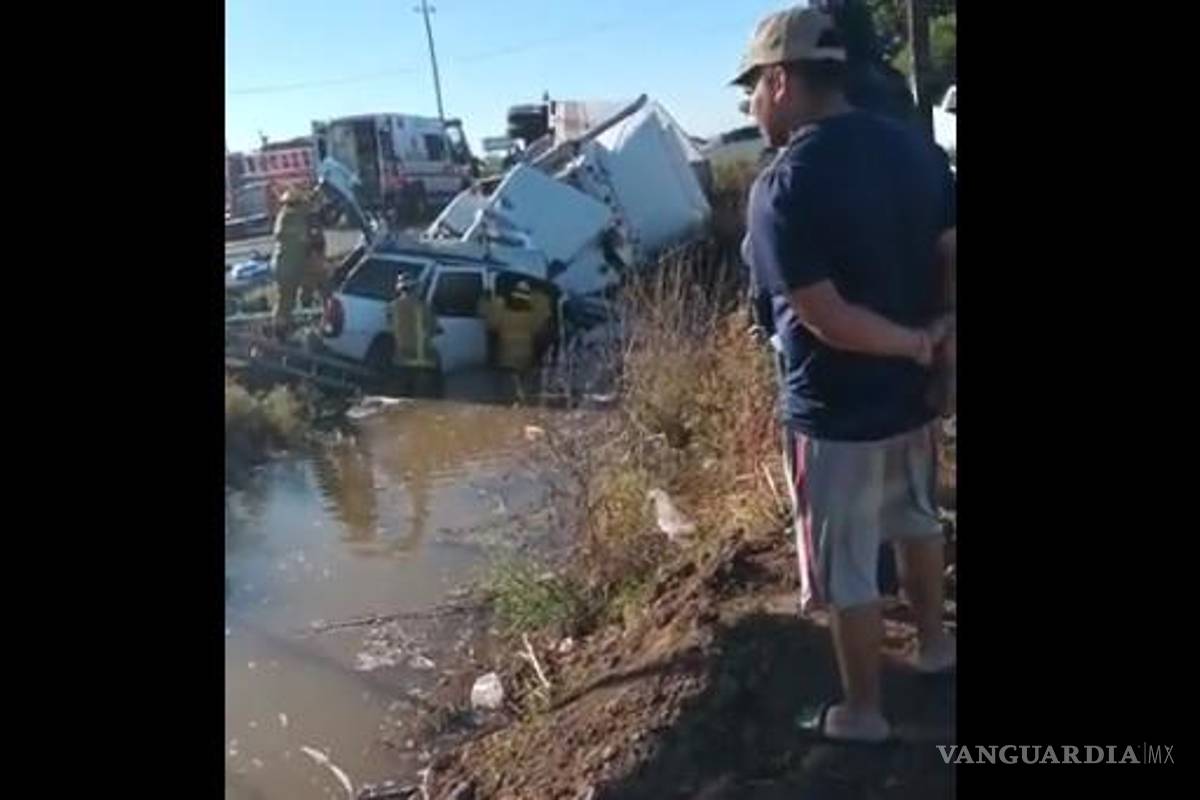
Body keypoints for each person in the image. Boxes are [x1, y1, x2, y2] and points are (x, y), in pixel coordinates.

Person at [734, 6, 957, 744]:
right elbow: (950, 252)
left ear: (781, 80)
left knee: (848, 569)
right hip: (913, 406)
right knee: (918, 522)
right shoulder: (918, 153)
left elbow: (823, 314)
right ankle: (934, 645)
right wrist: (938, 341)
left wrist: (911, 345)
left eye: (754, 90)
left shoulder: (782, 186)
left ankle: (862, 713)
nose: (752, 107)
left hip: (835, 416)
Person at [478, 281, 553, 371]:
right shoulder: (531, 315)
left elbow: (491, 325)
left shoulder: (503, 312)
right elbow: (539, 329)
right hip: (525, 359)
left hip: (506, 358)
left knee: (508, 380)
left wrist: (486, 300)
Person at [389, 274, 443, 396]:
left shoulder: (392, 307)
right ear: (415, 288)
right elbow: (434, 329)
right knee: (426, 399)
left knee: (401, 398)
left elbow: (391, 327)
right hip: (422, 361)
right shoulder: (423, 307)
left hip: (400, 359)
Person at [270, 187, 314, 337]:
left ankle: (285, 326)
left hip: (289, 264)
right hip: (286, 265)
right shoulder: (289, 217)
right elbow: (281, 234)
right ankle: (280, 330)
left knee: (288, 298)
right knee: (285, 300)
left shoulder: (292, 216)